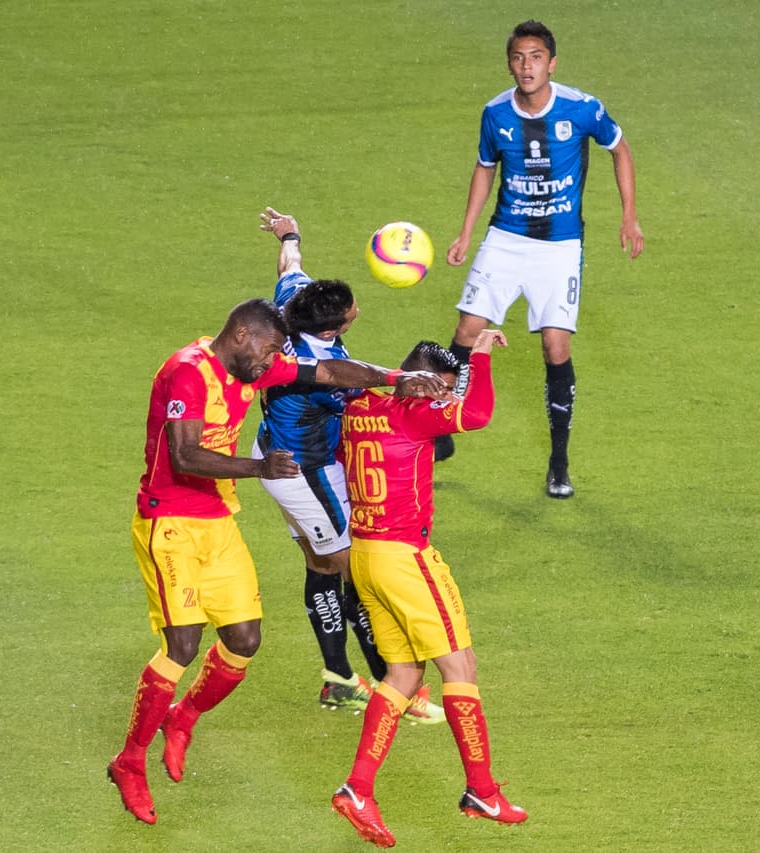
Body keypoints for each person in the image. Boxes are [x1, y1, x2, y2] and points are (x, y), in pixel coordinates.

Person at [108, 298, 450, 825]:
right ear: (241, 335)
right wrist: (259, 465)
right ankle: (129, 760)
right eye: (268, 352)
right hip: (168, 524)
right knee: (182, 644)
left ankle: (183, 718)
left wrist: (395, 378)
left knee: (244, 640)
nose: (272, 365)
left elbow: (330, 369)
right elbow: (183, 454)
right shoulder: (187, 372)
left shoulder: (253, 364)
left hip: (218, 520)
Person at [330, 330, 528, 848]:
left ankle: (358, 790)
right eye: (439, 388)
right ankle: (482, 791)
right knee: (459, 666)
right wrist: (478, 356)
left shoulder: (358, 406)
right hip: (403, 557)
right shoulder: (411, 413)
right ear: (418, 380)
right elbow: (478, 414)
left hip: (364, 554)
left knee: (401, 674)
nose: (443, 399)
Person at [438, 18, 646, 498]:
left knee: (556, 346)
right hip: (506, 239)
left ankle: (558, 462)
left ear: (551, 63)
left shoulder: (582, 108)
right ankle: (442, 430)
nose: (526, 66)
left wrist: (629, 216)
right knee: (467, 330)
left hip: (559, 246)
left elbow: (621, 148)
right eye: (518, 57)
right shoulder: (495, 113)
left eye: (535, 57)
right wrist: (467, 233)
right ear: (509, 64)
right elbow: (485, 169)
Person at [252, 207, 444, 724]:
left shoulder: (296, 302)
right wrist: (410, 386)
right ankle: (396, 687)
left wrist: (288, 232)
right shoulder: (310, 371)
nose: (357, 309)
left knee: (320, 563)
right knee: (357, 572)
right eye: (353, 311)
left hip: (286, 453)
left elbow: (288, 265)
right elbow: (353, 383)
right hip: (304, 471)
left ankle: (338, 680)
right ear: (335, 323)